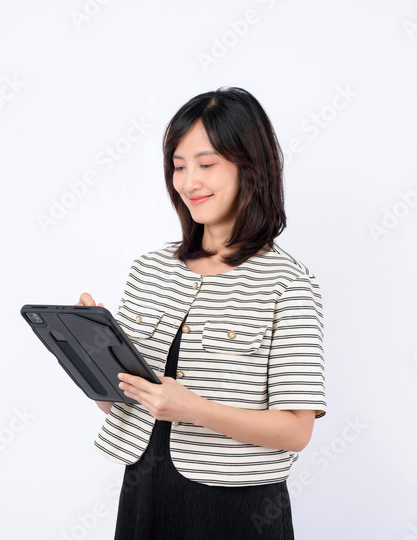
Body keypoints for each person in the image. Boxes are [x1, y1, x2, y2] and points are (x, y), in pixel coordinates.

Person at [76, 87, 325, 539]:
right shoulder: (149, 270)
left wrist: (194, 409)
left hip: (237, 510)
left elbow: (296, 431)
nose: (189, 182)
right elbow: (118, 405)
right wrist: (92, 356)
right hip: (145, 497)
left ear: (251, 168)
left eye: (206, 164)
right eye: (178, 166)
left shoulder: (288, 283)